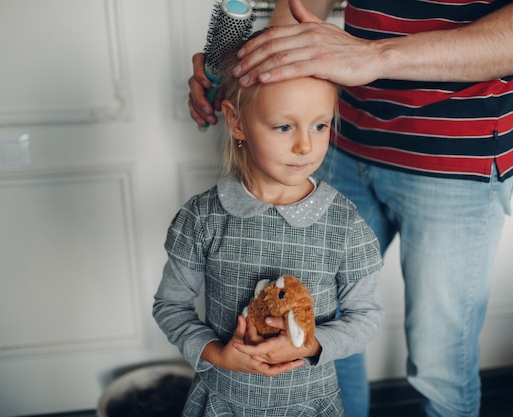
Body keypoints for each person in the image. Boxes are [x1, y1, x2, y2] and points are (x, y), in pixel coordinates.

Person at [187, 1, 513, 416]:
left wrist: (376, 55)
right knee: (319, 330)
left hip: (455, 160)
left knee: (440, 365)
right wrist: (260, 70)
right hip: (345, 143)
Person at [153, 40, 385, 417]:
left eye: (320, 125)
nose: (305, 145)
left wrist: (310, 344)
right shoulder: (203, 217)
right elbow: (171, 305)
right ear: (236, 121)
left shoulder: (345, 225)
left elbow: (367, 317)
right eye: (283, 126)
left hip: (309, 405)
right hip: (224, 401)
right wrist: (217, 354)